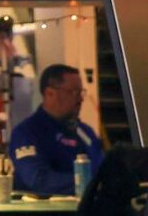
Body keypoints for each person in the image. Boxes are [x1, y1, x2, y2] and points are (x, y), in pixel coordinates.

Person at [9, 64, 105, 195]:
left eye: (81, 92)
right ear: (50, 93)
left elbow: (103, 170)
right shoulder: (26, 133)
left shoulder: (85, 133)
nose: (80, 99)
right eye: (73, 92)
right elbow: (39, 181)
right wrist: (89, 184)